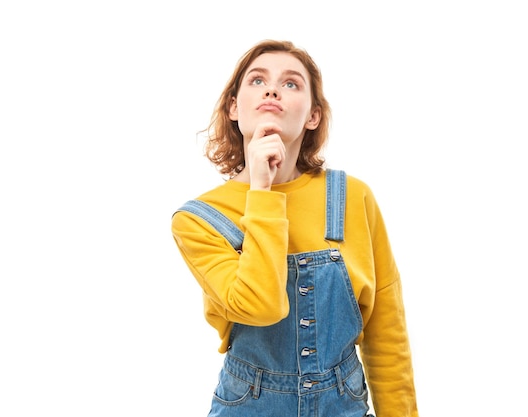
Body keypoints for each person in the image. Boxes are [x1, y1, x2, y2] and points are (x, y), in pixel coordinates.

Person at [171, 39, 418, 417]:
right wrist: (262, 190)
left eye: (291, 84)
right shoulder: (199, 218)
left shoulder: (352, 197)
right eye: (257, 80)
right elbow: (261, 306)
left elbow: (386, 330)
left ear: (312, 116)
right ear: (234, 107)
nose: (272, 89)